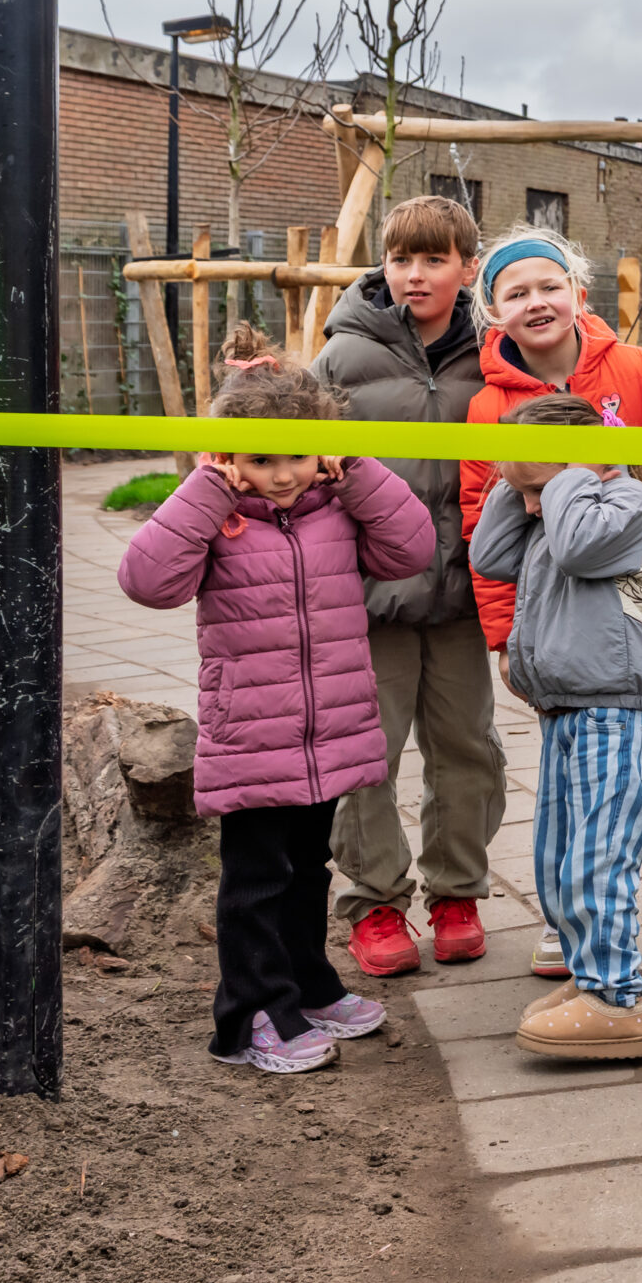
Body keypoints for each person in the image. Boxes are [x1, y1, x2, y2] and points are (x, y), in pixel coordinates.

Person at [116, 323, 435, 1075]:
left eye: (296, 455)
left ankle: (307, 987)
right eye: (260, 459)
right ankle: (251, 1015)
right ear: (229, 458)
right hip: (253, 732)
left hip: (328, 731)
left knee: (307, 868)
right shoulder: (218, 519)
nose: (283, 475)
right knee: (256, 881)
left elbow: (412, 549)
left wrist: (356, 472)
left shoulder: (337, 507)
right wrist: (204, 489)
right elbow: (146, 581)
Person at [459, 229, 642, 960]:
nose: (536, 302)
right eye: (516, 293)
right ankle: (569, 906)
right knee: (571, 767)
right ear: (493, 312)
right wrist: (502, 634)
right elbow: (480, 522)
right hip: (564, 621)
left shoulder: (635, 369)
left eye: (549, 286)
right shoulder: (489, 407)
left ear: (577, 292)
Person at [312, 193, 507, 980]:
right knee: (367, 755)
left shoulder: (493, 354)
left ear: (468, 267)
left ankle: (457, 892)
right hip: (371, 597)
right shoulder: (341, 356)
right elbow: (299, 460)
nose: (415, 274)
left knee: (468, 749)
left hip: (462, 592)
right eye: (401, 259)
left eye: (434, 259)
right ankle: (375, 900)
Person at [470, 393, 642, 1059]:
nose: (531, 506)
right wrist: (519, 481)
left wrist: (568, 474)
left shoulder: (624, 502)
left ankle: (616, 996)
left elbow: (581, 550)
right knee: (558, 856)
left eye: (538, 488)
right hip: (564, 703)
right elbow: (488, 555)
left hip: (614, 706)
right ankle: (589, 975)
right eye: (523, 491)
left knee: (599, 854)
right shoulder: (550, 510)